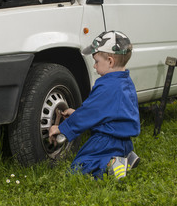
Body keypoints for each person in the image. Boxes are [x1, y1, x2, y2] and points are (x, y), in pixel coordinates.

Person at [49, 30, 141, 179]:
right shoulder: (125, 82)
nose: (94, 66)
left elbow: (89, 113)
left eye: (96, 61)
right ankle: (127, 157)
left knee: (79, 168)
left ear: (110, 61)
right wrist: (75, 113)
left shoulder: (106, 86)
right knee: (105, 155)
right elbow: (105, 112)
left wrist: (61, 128)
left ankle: (111, 163)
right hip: (124, 141)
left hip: (105, 140)